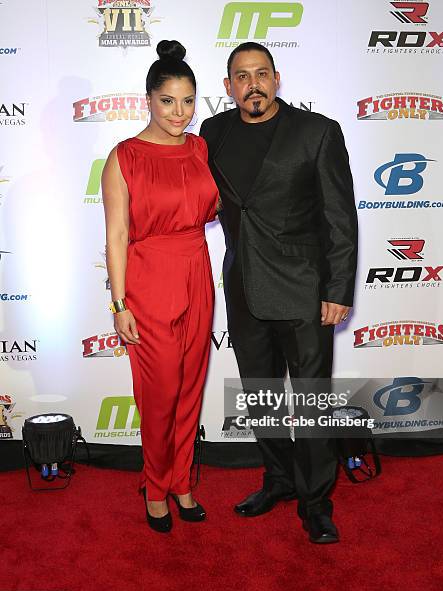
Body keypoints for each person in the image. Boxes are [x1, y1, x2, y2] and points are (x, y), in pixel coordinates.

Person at [200, 42, 358, 544]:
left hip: (305, 290)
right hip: (244, 286)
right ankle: (278, 479)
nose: (253, 84)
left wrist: (337, 288)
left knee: (311, 402)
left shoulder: (317, 132)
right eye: (242, 76)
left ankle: (316, 502)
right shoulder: (212, 132)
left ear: (277, 78)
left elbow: (339, 217)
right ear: (228, 88)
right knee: (261, 395)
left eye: (262, 73)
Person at [102, 40, 219, 533]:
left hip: (197, 270)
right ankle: (154, 488)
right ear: (147, 99)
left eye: (188, 100)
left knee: (190, 388)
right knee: (161, 393)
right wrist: (119, 302)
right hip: (149, 280)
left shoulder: (200, 147)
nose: (180, 112)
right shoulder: (123, 157)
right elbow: (117, 235)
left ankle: (181, 482)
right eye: (169, 100)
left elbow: (215, 206)